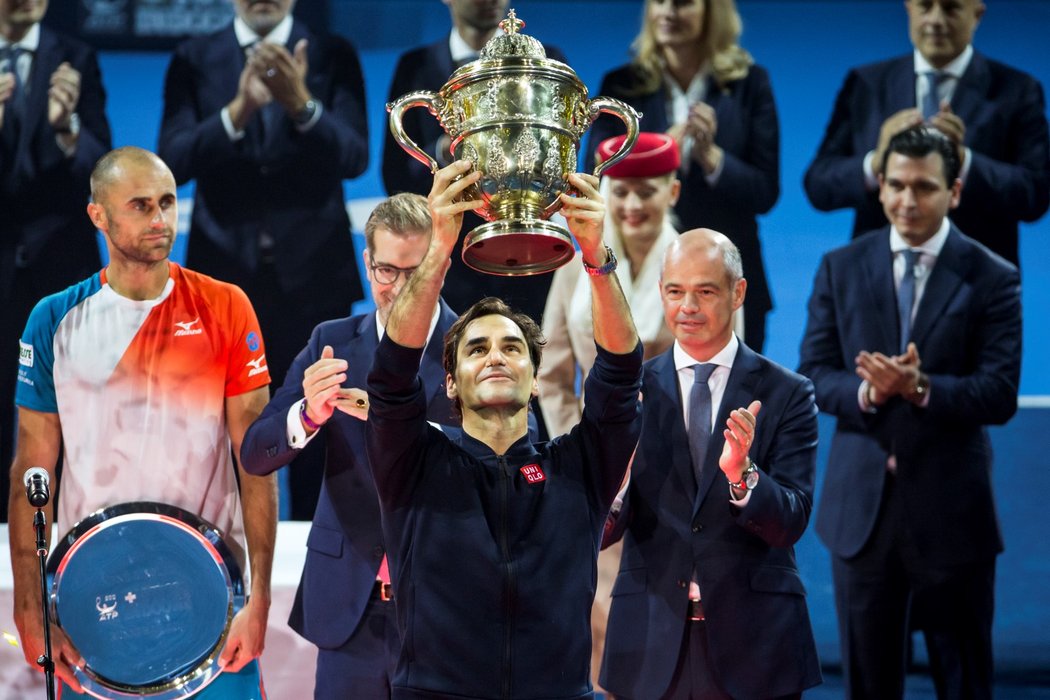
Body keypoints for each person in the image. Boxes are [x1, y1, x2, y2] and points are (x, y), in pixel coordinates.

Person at [7, 147, 277, 698]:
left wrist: (261, 596)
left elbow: (258, 463)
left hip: (213, 602)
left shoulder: (226, 307)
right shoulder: (54, 319)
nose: (160, 220)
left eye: (168, 203)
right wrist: (31, 605)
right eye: (140, 206)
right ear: (98, 216)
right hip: (92, 606)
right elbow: (32, 474)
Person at [365, 159, 642, 698]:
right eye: (476, 349)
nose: (496, 357)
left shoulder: (578, 468)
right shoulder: (412, 464)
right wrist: (440, 249)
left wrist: (596, 258)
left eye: (513, 347)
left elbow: (620, 374)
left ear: (536, 380)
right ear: (449, 384)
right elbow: (393, 375)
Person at [798, 126, 1021, 700]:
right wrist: (870, 393)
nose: (906, 200)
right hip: (862, 517)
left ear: (956, 191)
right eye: (895, 185)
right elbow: (816, 373)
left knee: (964, 680)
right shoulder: (839, 267)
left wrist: (922, 388)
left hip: (953, 515)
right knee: (870, 686)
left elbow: (998, 392)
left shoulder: (993, 277)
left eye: (924, 187)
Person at [240, 193, 460, 699]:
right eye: (387, 271)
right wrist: (307, 416)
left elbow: (519, 451)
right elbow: (256, 452)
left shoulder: (473, 341)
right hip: (348, 611)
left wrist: (416, 431)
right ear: (366, 265)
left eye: (416, 270)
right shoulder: (331, 341)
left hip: (443, 605)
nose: (401, 287)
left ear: (440, 264)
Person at [158, 0, 369, 519]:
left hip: (316, 276)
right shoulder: (192, 57)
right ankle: (222, 560)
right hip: (223, 280)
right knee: (224, 427)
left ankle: (326, 562)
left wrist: (302, 105)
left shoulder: (333, 53)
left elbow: (355, 155)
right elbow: (173, 161)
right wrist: (238, 112)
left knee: (321, 422)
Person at [600, 228, 821, 699]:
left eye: (705, 291)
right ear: (661, 293)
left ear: (738, 292)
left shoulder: (786, 393)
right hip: (650, 644)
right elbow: (592, 532)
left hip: (757, 644)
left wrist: (743, 476)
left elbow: (792, 520)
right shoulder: (628, 392)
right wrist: (614, 485)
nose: (688, 307)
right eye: (675, 291)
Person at [537, 131, 678, 694]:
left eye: (647, 191)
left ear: (674, 189)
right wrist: (579, 444)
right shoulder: (578, 258)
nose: (632, 206)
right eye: (620, 192)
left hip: (672, 460)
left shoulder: (696, 257)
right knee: (594, 605)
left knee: (665, 608)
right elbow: (550, 369)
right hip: (595, 464)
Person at [585, 0, 778, 352]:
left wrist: (713, 158)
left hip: (723, 274)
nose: (668, 12)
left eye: (683, 3)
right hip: (639, 271)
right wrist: (657, 150)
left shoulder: (750, 84)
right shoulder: (621, 85)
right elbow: (593, 178)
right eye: (659, 2)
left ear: (711, 12)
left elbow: (765, 191)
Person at [804, 0, 1050, 267]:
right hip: (876, 281)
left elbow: (1035, 194)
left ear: (977, 15)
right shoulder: (866, 84)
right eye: (925, 6)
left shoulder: (1017, 90)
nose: (935, 20)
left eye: (951, 8)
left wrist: (964, 161)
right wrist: (875, 162)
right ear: (909, 8)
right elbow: (819, 185)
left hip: (977, 282)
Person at [381, 0, 567, 324]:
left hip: (529, 253)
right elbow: (395, 173)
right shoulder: (414, 67)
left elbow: (558, 158)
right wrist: (448, 151)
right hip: (450, 261)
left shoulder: (546, 62)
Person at [0, 0, 111, 516]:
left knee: (65, 409)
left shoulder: (77, 59)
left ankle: (66, 538)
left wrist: (66, 129)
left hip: (59, 271)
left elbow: (102, 168)